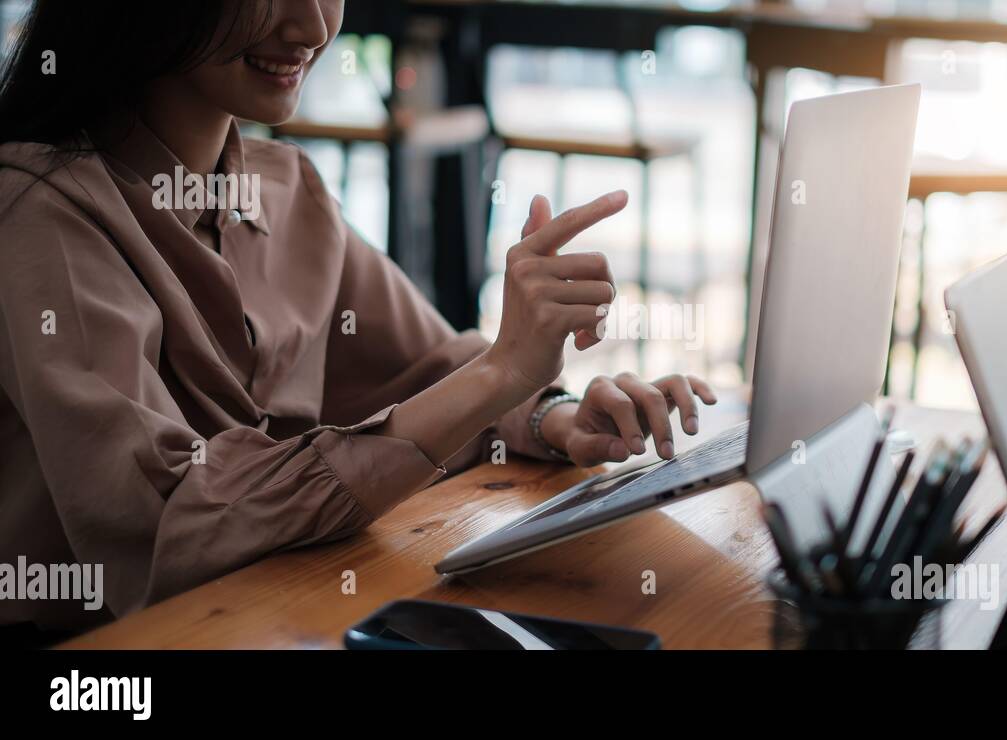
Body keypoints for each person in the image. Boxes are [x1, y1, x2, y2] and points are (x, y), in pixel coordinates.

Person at [0, 0, 714, 640]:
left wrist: (548, 414)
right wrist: (500, 371)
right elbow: (166, 528)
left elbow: (432, 368)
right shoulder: (36, 213)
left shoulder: (287, 190)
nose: (313, 27)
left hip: (277, 616)